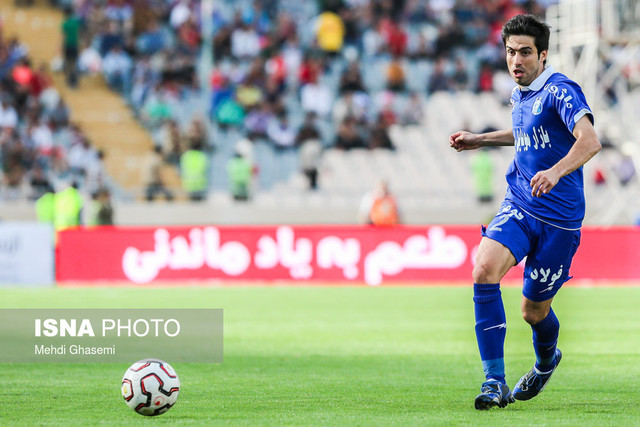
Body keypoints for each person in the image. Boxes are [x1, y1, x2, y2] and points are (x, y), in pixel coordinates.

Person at [448, 14, 602, 410]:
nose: (516, 60)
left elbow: (590, 140)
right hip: (519, 203)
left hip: (559, 221)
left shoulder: (561, 90)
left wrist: (555, 171)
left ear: (543, 55)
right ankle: (494, 382)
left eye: (525, 53)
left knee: (533, 312)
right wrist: (480, 139)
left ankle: (546, 361)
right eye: (510, 52)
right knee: (484, 269)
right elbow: (526, 133)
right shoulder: (520, 94)